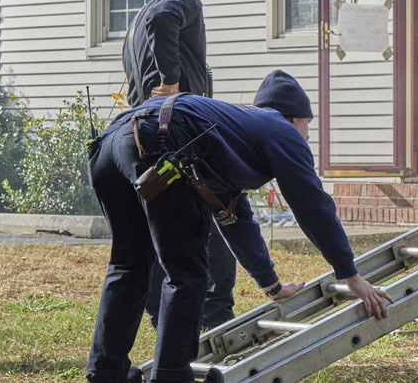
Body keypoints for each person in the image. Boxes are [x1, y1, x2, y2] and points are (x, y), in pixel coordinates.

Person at [85, 71, 393, 383]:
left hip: (111, 144)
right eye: (308, 125)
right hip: (158, 139)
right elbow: (313, 204)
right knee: (186, 273)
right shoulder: (281, 131)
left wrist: (271, 285)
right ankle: (171, 377)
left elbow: (235, 218)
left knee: (130, 265)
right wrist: (350, 275)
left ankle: (105, 374)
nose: (308, 137)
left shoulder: (232, 130)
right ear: (293, 118)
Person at [120, 0, 235, 331]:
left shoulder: (137, 16)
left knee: (160, 228)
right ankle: (216, 313)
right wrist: (170, 81)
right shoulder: (178, 0)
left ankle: (159, 315)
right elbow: (163, 18)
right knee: (217, 210)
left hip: (144, 131)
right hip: (179, 129)